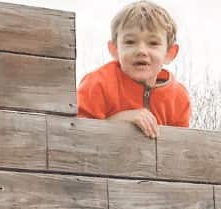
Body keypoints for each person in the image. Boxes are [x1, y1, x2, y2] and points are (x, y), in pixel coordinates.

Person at [77, 1, 192, 138]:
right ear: (114, 50)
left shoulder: (178, 98)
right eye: (130, 42)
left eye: (153, 43)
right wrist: (120, 120)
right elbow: (75, 133)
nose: (141, 51)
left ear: (169, 53)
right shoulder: (97, 84)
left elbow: (180, 147)